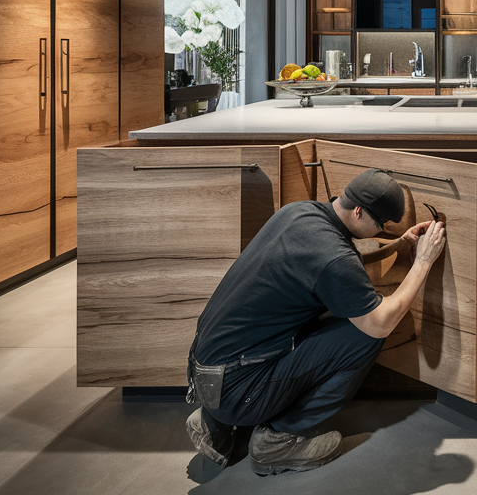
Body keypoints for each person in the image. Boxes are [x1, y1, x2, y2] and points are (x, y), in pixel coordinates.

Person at [184, 168, 446, 476]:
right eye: (381, 224)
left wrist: (399, 246)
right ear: (359, 212)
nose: (383, 229)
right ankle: (278, 440)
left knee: (333, 310)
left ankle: (215, 422)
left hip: (206, 373)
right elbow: (379, 322)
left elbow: (335, 276)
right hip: (237, 389)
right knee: (366, 335)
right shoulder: (333, 257)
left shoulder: (299, 212)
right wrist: (424, 261)